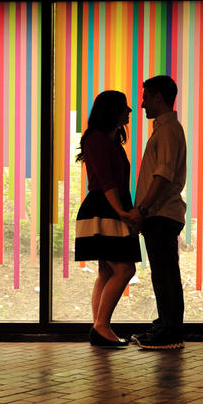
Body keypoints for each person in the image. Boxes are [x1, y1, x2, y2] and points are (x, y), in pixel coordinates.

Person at [74, 90, 140, 347]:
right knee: (125, 269)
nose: (130, 110)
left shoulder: (108, 140)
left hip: (107, 207)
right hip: (104, 208)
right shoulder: (97, 139)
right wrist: (123, 212)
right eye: (125, 106)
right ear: (111, 111)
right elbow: (106, 181)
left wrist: (125, 209)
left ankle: (99, 327)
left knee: (106, 271)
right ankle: (101, 326)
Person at [126, 75, 187, 350]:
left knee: (165, 273)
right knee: (163, 273)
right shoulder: (166, 130)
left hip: (161, 213)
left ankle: (170, 330)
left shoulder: (167, 131)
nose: (141, 104)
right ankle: (166, 325)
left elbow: (162, 176)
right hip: (160, 214)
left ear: (159, 97)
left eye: (146, 97)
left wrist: (143, 209)